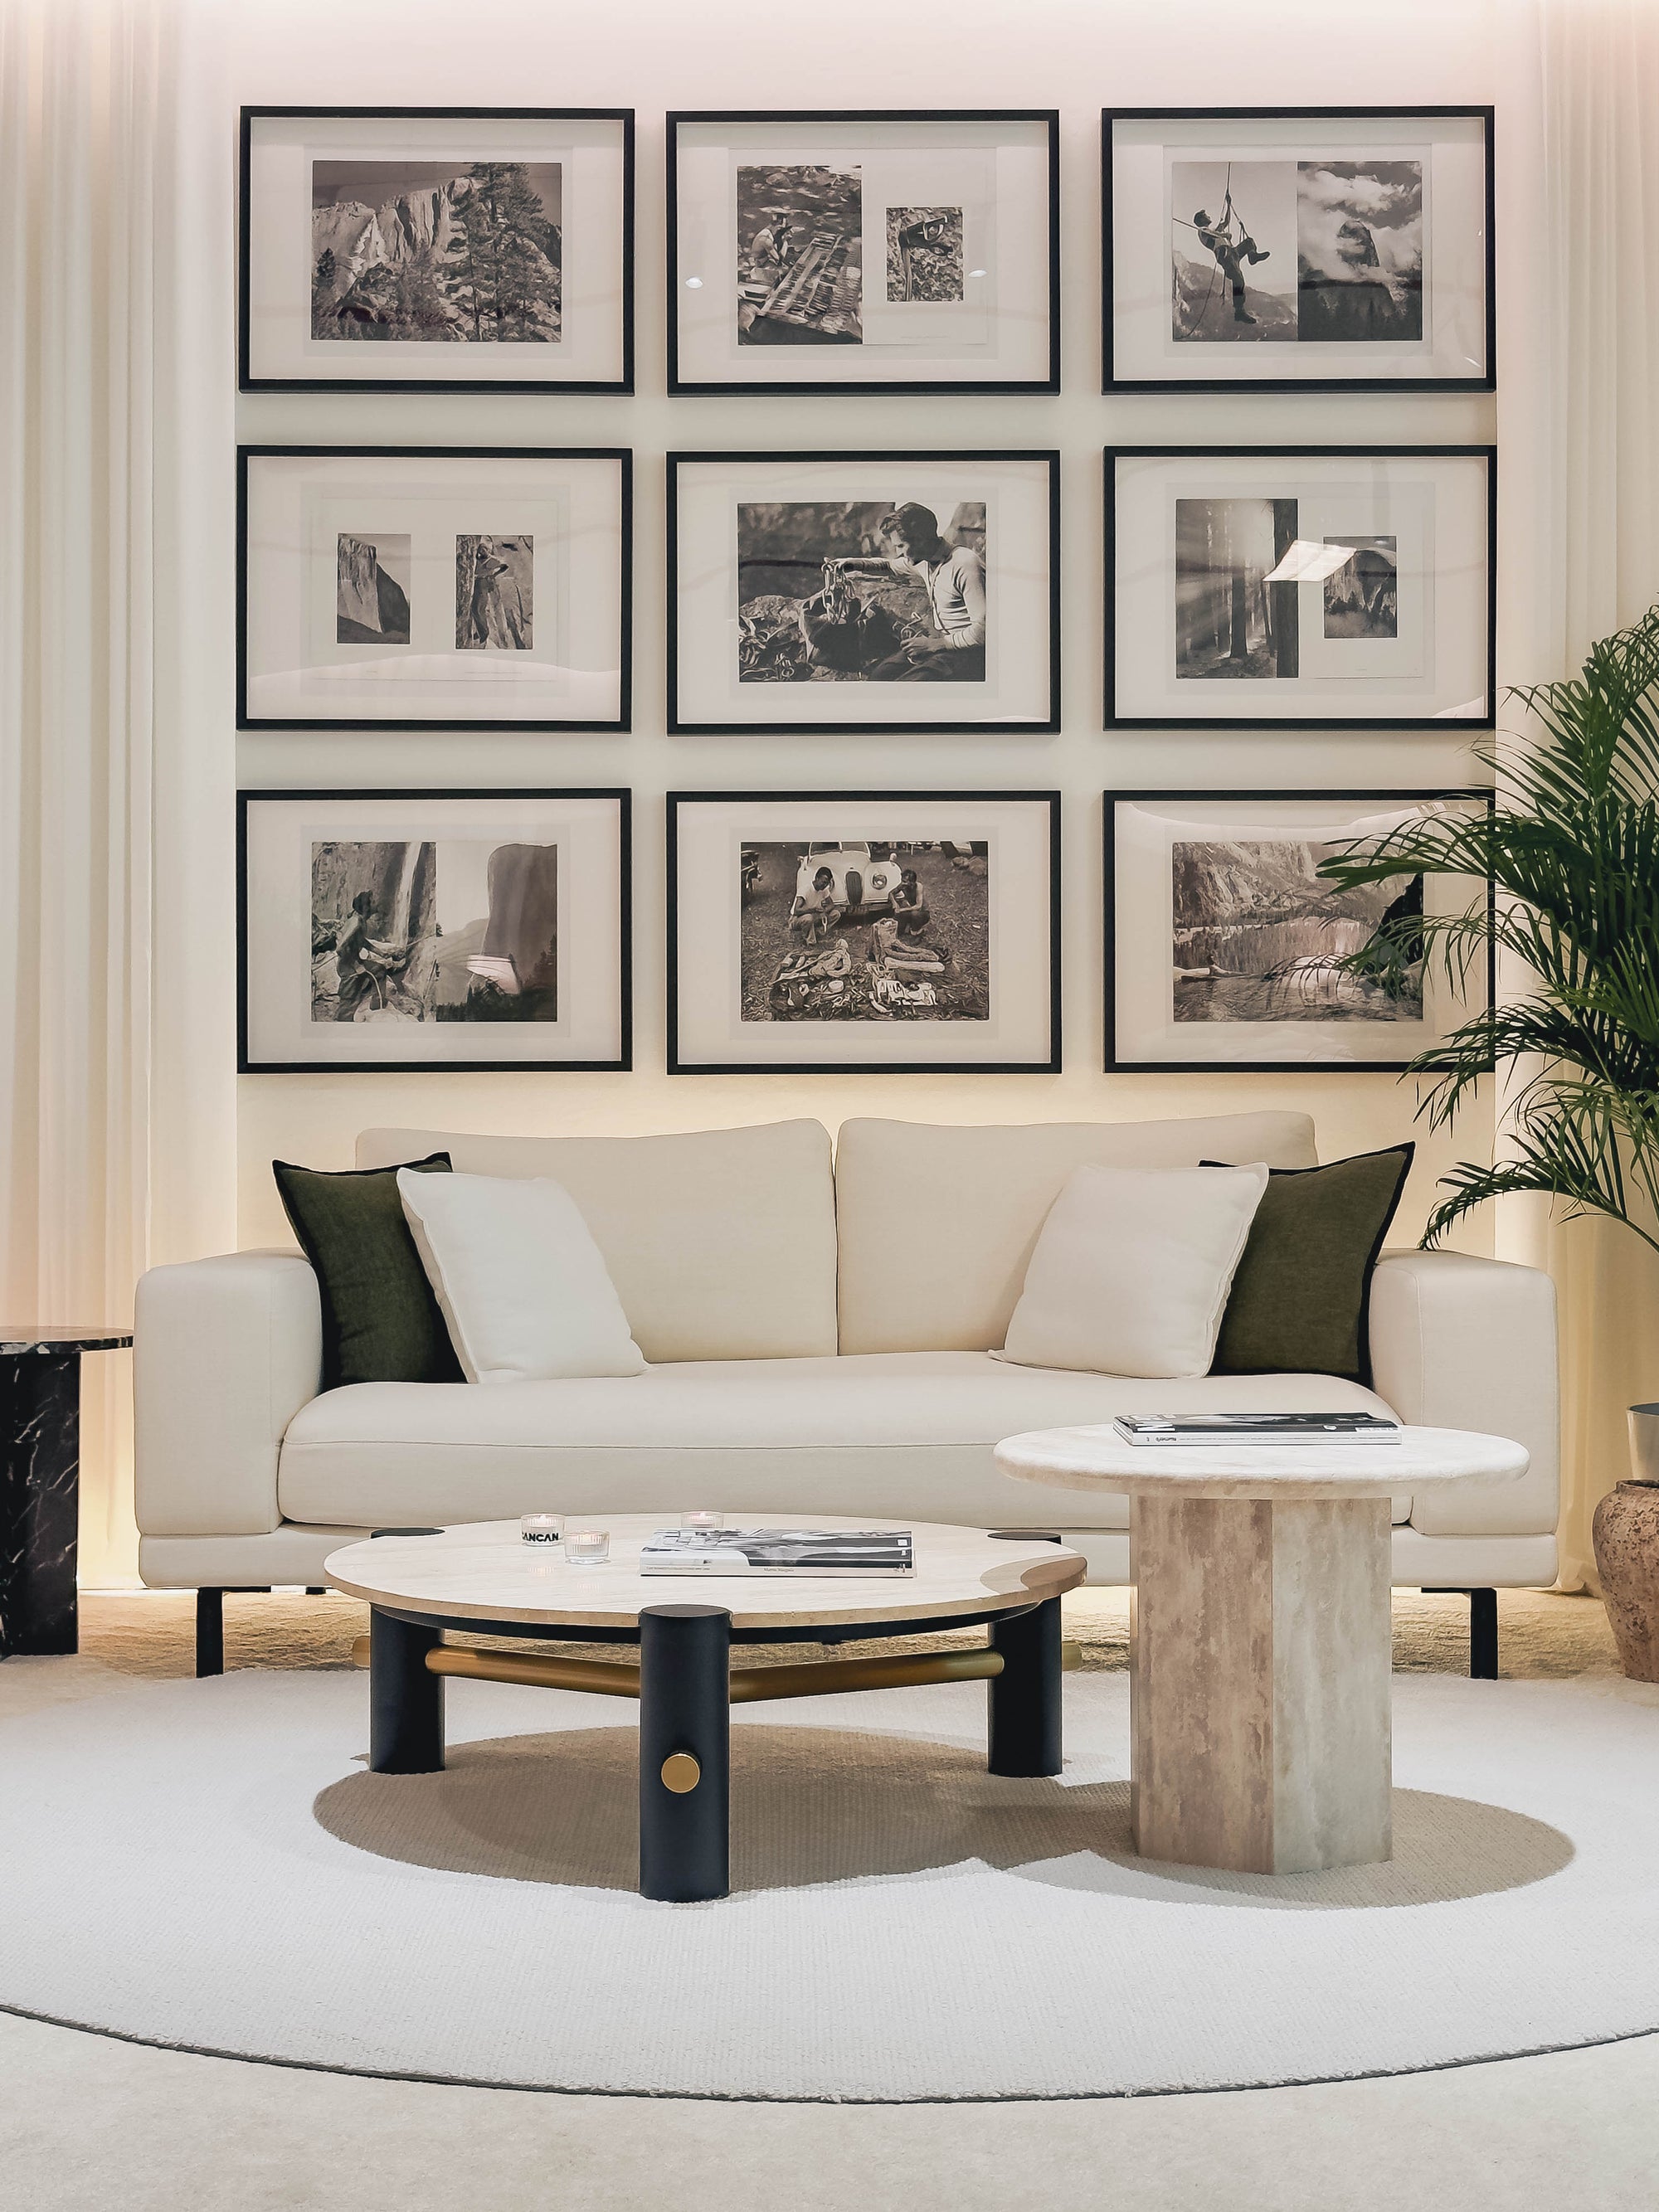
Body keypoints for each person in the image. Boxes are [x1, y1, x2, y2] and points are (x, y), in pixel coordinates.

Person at [828, 503, 987, 681]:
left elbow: (983, 631)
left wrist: (934, 645)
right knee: (879, 676)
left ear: (920, 539)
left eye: (901, 545)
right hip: (944, 644)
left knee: (908, 684)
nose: (898, 552)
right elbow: (887, 565)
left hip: (971, 653)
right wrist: (851, 563)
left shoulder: (964, 564)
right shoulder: (925, 560)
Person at [1192, 197, 1271, 324]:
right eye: (1206, 215)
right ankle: (1239, 311)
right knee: (1238, 279)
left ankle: (1253, 256)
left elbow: (1226, 222)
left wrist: (1229, 205)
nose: (1208, 216)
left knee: (1249, 242)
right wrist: (1224, 235)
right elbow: (1213, 235)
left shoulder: (1211, 230)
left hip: (1232, 252)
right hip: (1225, 255)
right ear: (1201, 220)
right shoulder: (1202, 231)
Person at [331, 890, 378, 1022]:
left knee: (379, 970)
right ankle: (341, 1026)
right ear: (366, 907)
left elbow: (360, 941)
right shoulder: (356, 922)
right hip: (348, 967)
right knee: (349, 1002)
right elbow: (340, 948)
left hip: (353, 964)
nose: (377, 903)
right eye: (373, 902)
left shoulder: (361, 921)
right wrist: (357, 966)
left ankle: (377, 1005)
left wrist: (382, 952)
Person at [790, 865, 844, 946]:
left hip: (814, 916)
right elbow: (797, 910)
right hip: (797, 919)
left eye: (827, 883)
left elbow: (831, 904)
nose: (825, 885)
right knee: (808, 918)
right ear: (817, 878)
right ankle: (811, 942)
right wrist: (813, 910)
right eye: (823, 882)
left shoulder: (824, 890)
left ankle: (818, 933)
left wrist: (824, 911)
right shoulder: (805, 889)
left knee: (836, 914)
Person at [889, 868, 932, 939]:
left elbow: (918, 906)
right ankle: (904, 930)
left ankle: (918, 932)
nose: (902, 883)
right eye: (902, 881)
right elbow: (891, 893)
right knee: (898, 916)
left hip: (923, 913)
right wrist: (895, 904)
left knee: (914, 914)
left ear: (912, 882)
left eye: (905, 881)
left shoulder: (918, 887)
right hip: (912, 910)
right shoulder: (903, 886)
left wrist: (902, 910)